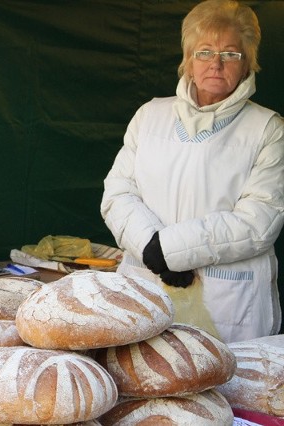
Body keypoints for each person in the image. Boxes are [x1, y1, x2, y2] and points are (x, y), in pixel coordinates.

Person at [100, 0, 284, 343]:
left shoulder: (268, 129)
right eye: (204, 51)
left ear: (247, 65)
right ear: (188, 59)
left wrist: (171, 250)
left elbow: (260, 221)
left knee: (226, 388)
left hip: (228, 305)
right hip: (146, 284)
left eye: (231, 54)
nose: (216, 63)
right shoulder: (150, 115)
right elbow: (117, 194)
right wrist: (152, 249)